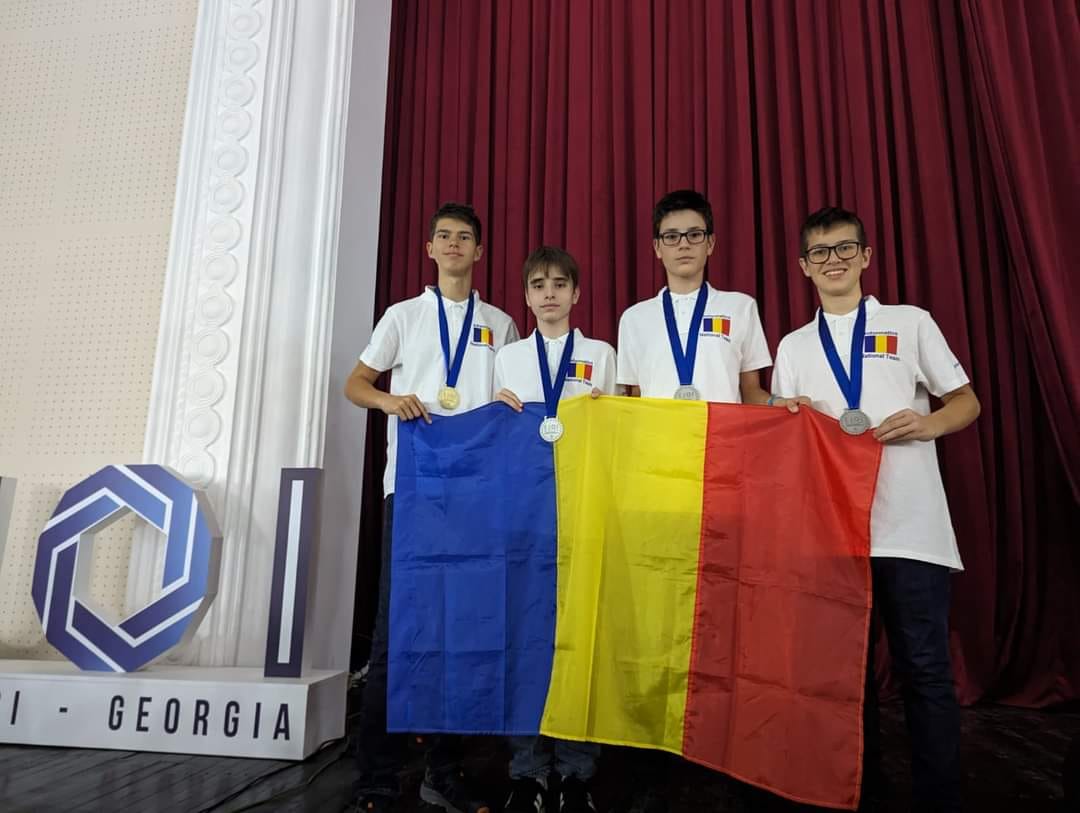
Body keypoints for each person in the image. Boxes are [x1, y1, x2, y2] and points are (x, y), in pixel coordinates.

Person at [771, 205, 980, 813]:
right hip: (832, 534)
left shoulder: (910, 322)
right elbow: (784, 438)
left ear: (865, 256)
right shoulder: (794, 346)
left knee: (925, 671)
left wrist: (928, 423)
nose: (833, 260)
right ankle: (859, 795)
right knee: (844, 679)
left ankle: (940, 799)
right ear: (804, 267)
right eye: (820, 252)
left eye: (844, 248)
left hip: (911, 529)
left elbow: (966, 402)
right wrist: (788, 419)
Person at [614, 189, 796, 813]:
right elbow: (628, 405)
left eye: (694, 234)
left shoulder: (739, 308)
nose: (684, 245)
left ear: (712, 243)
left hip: (725, 483)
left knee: (724, 617)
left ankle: (722, 747)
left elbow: (753, 393)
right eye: (672, 236)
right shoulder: (635, 319)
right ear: (656, 248)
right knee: (658, 623)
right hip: (659, 488)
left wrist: (788, 409)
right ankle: (654, 755)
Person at [344, 202, 519, 813]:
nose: (453, 245)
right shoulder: (403, 315)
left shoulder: (500, 324)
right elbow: (355, 384)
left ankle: (442, 770)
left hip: (477, 494)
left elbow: (512, 395)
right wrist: (390, 403)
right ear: (429, 248)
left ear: (479, 251)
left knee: (459, 634)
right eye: (443, 235)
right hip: (415, 489)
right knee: (397, 634)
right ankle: (376, 777)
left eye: (464, 237)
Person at [493, 245, 616, 813]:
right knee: (524, 636)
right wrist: (495, 409)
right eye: (539, 285)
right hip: (524, 512)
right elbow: (494, 435)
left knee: (579, 635)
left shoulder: (600, 354)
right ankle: (527, 768)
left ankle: (576, 769)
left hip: (582, 508)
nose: (549, 294)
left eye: (559, 284)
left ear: (576, 293)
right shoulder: (508, 358)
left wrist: (604, 413)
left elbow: (615, 434)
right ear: (525, 296)